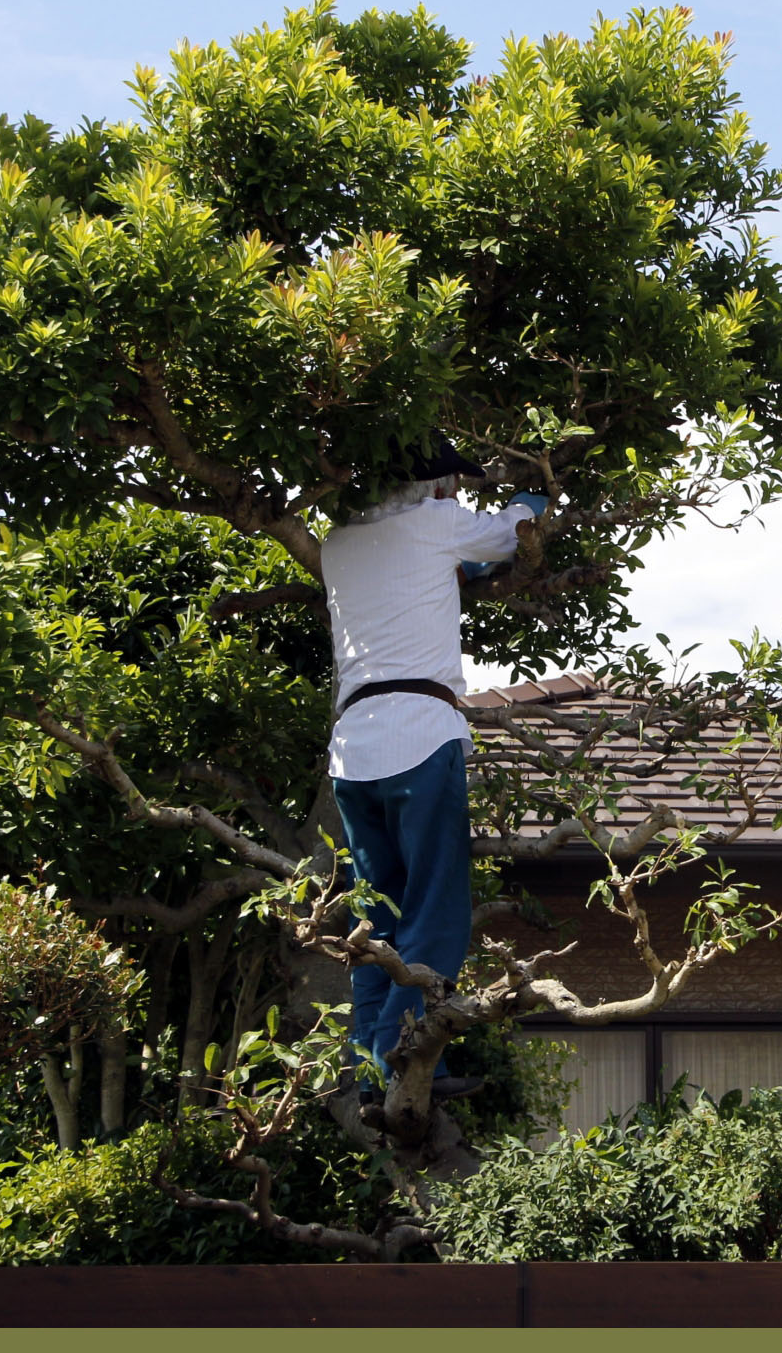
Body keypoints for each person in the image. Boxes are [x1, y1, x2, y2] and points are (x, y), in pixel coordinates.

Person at [320, 432, 548, 1114]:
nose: (456, 491)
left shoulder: (337, 544)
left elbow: (409, 582)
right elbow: (511, 534)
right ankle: (399, 1061)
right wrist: (531, 495)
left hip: (353, 749)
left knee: (377, 916)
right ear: (434, 484)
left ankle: (368, 1077)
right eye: (452, 480)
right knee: (434, 912)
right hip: (421, 734)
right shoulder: (439, 522)